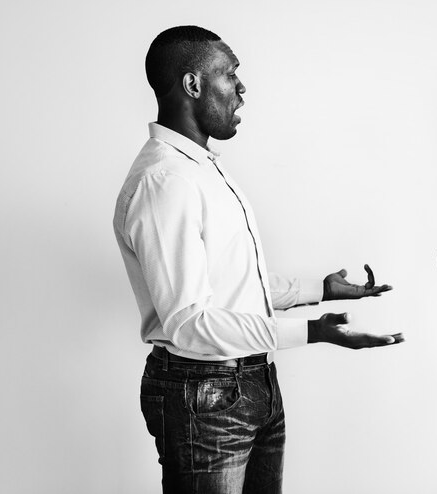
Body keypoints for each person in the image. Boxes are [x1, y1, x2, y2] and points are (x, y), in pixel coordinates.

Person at [113, 25, 403, 494]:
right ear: (193, 85)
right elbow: (190, 322)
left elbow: (231, 282)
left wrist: (320, 290)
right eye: (229, 75)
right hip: (202, 393)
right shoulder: (166, 182)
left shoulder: (201, 169)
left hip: (252, 382)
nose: (241, 89)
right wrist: (312, 331)